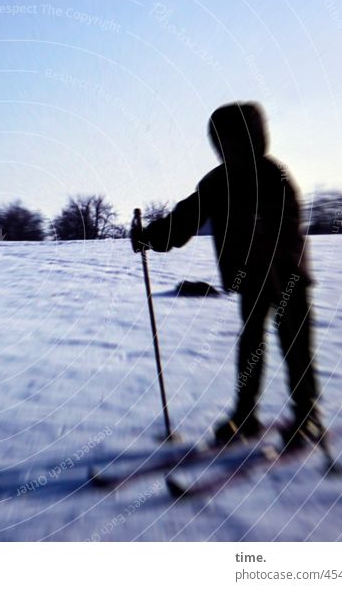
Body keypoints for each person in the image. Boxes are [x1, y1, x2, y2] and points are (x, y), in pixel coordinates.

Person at [131, 102, 324, 449]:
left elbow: (288, 226)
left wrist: (275, 259)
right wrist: (151, 236)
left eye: (234, 140)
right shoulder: (219, 182)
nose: (227, 148)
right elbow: (186, 218)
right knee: (251, 343)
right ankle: (245, 416)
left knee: (295, 344)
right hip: (252, 278)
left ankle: (307, 415)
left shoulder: (273, 176)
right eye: (222, 141)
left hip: (287, 275)